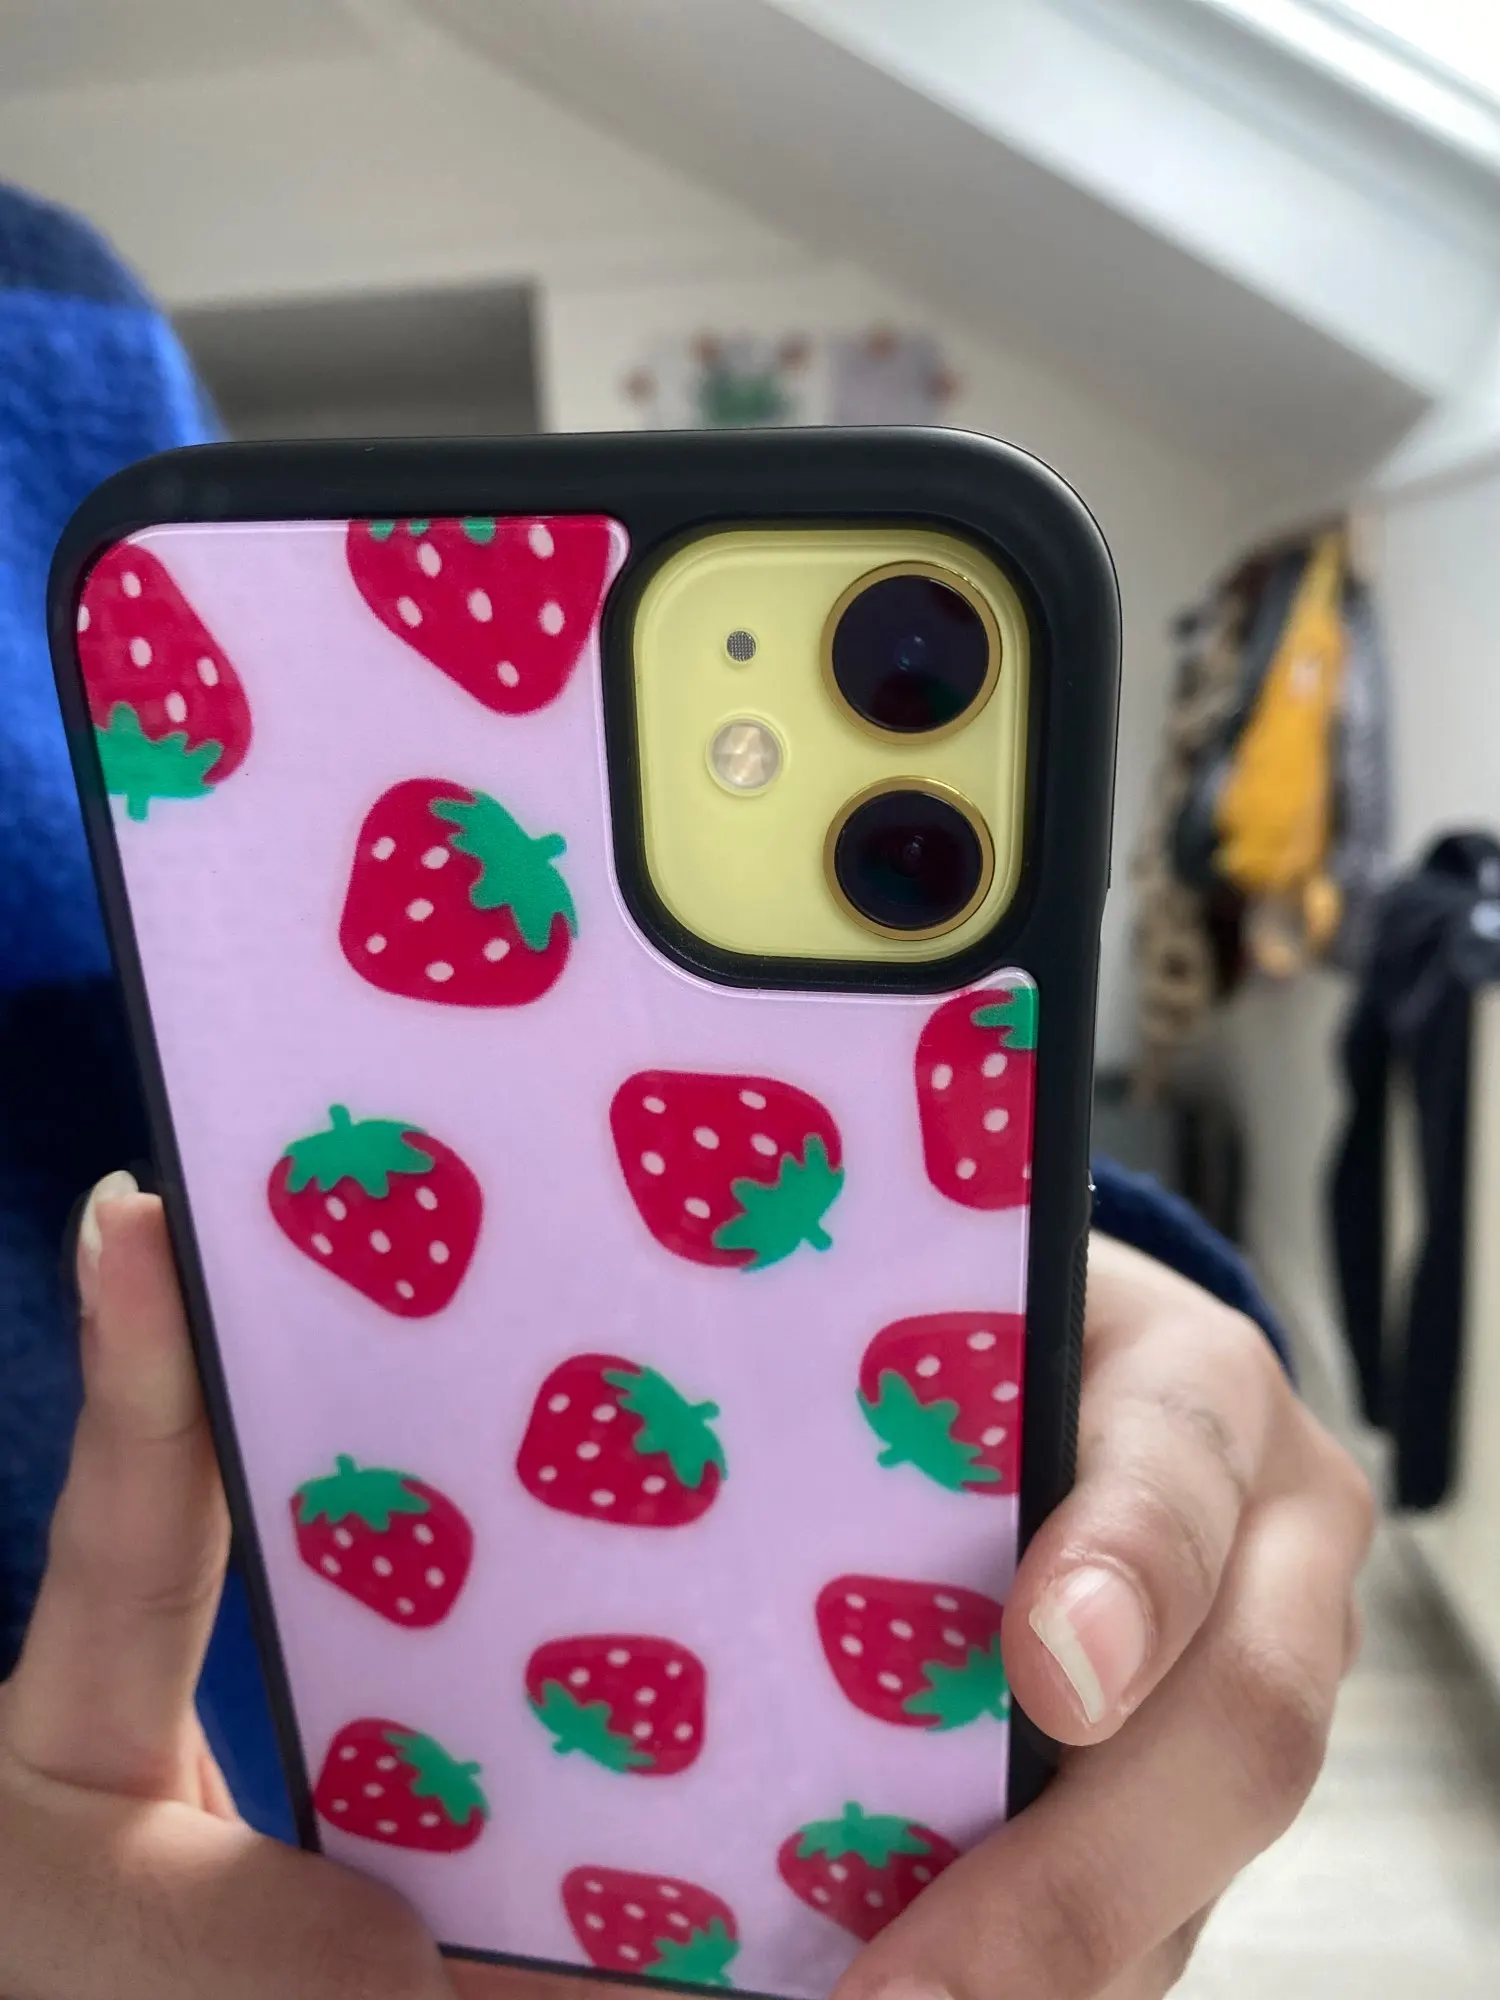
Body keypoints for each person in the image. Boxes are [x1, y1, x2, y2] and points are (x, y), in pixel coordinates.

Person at [0, 183, 1374, 1998]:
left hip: (402, 1792)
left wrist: (1089, 1306)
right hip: (379, 1807)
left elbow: (238, 1078)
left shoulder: (51, 315)